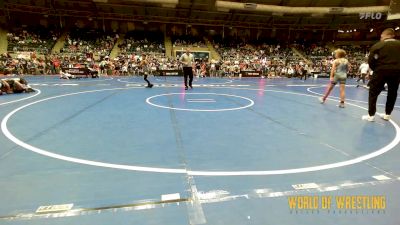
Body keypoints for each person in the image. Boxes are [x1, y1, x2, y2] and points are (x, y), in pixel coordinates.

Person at [362, 28, 400, 122]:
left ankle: (371, 115)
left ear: (383, 35)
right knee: (392, 93)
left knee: (373, 92)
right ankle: (387, 114)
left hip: (381, 71)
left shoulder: (378, 45)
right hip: (397, 72)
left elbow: (371, 61)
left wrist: (377, 70)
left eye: (381, 36)